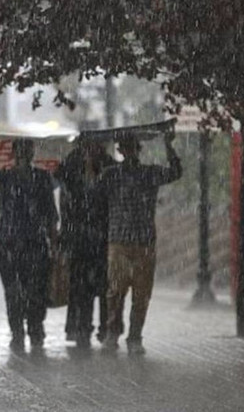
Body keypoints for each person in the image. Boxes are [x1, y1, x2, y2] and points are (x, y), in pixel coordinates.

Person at [0, 138, 58, 353]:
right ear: (15, 154)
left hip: (33, 243)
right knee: (14, 292)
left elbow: (49, 214)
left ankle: (34, 329)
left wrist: (54, 242)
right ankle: (19, 332)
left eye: (27, 151)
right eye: (21, 151)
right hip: (11, 244)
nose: (24, 155)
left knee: (35, 290)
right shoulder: (6, 178)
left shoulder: (42, 178)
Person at [98, 131, 182, 355]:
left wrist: (168, 145)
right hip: (119, 241)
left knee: (141, 294)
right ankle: (113, 333)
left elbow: (175, 172)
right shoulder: (110, 175)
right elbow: (92, 194)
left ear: (137, 149)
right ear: (121, 150)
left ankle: (135, 336)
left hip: (143, 242)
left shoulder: (149, 173)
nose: (129, 151)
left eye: (132, 147)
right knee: (115, 292)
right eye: (125, 147)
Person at [55, 138, 115, 349]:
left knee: (105, 286)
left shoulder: (108, 166)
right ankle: (83, 328)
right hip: (79, 239)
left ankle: (106, 329)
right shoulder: (72, 167)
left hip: (103, 238)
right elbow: (61, 182)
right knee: (82, 287)